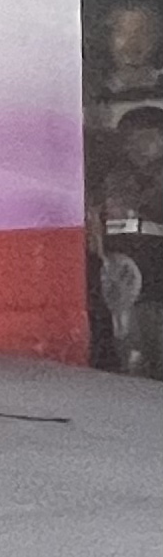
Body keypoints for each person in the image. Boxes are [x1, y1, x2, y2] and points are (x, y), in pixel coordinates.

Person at [98, 106, 163, 377]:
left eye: (145, 138)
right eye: (128, 139)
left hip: (157, 277)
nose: (136, 146)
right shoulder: (113, 178)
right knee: (129, 349)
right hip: (121, 280)